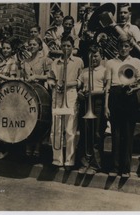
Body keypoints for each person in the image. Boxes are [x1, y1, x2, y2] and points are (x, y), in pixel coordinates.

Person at [104, 35, 140, 178]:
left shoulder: (136, 61)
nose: (123, 49)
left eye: (126, 46)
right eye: (121, 46)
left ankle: (126, 169)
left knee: (128, 134)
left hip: (129, 97)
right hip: (115, 97)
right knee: (116, 134)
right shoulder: (110, 63)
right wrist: (106, 106)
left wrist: (134, 89)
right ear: (117, 47)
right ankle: (115, 167)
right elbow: (108, 86)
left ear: (131, 47)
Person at [48, 35, 84, 171]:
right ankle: (57, 160)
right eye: (63, 45)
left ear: (72, 47)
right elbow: (50, 78)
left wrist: (69, 84)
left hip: (70, 96)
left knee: (70, 130)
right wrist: (53, 84)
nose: (66, 48)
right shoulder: (55, 62)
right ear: (60, 46)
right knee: (56, 129)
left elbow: (81, 80)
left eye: (68, 46)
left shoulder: (78, 61)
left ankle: (69, 161)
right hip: (57, 96)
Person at [77, 45, 107, 175]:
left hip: (98, 103)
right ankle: (85, 163)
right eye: (91, 56)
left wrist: (94, 93)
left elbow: (107, 90)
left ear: (101, 56)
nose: (93, 58)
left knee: (97, 133)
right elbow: (79, 84)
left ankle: (96, 164)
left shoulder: (105, 71)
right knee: (85, 133)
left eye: (95, 56)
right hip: (85, 103)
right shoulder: (84, 71)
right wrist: (79, 92)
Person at [22, 36, 53, 159]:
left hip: (41, 93)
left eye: (34, 44)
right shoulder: (25, 61)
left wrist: (36, 76)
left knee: (38, 121)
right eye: (30, 44)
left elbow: (50, 77)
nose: (31, 46)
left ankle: (38, 147)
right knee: (28, 120)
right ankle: (28, 146)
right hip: (28, 93)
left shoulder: (45, 60)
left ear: (40, 46)